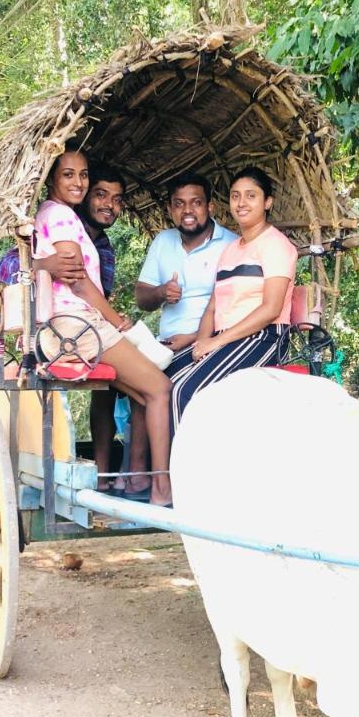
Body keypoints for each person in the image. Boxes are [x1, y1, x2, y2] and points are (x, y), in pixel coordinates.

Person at [32, 149, 173, 506]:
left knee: (144, 394)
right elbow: (77, 279)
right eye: (68, 175)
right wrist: (117, 321)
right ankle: (162, 489)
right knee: (159, 387)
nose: (77, 182)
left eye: (82, 175)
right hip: (79, 326)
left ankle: (135, 477)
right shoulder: (63, 215)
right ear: (52, 179)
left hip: (72, 326)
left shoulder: (53, 215)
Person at [121, 172, 237, 498]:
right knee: (134, 382)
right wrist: (161, 292)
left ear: (210, 206)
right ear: (171, 210)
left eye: (196, 203)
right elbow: (142, 299)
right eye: (180, 204)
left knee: (165, 388)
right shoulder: (163, 242)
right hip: (164, 344)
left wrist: (194, 337)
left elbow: (233, 303)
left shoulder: (230, 245)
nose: (189, 210)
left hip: (210, 339)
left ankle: (176, 481)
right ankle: (137, 476)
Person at [168, 166, 296, 430]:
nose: (241, 202)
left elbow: (271, 309)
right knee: (159, 381)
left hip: (265, 337)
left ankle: (185, 472)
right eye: (236, 196)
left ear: (267, 202)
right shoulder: (229, 250)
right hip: (226, 338)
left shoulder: (276, 245)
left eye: (251, 196)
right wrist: (202, 341)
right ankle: (155, 469)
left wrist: (216, 342)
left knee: (185, 392)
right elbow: (212, 307)